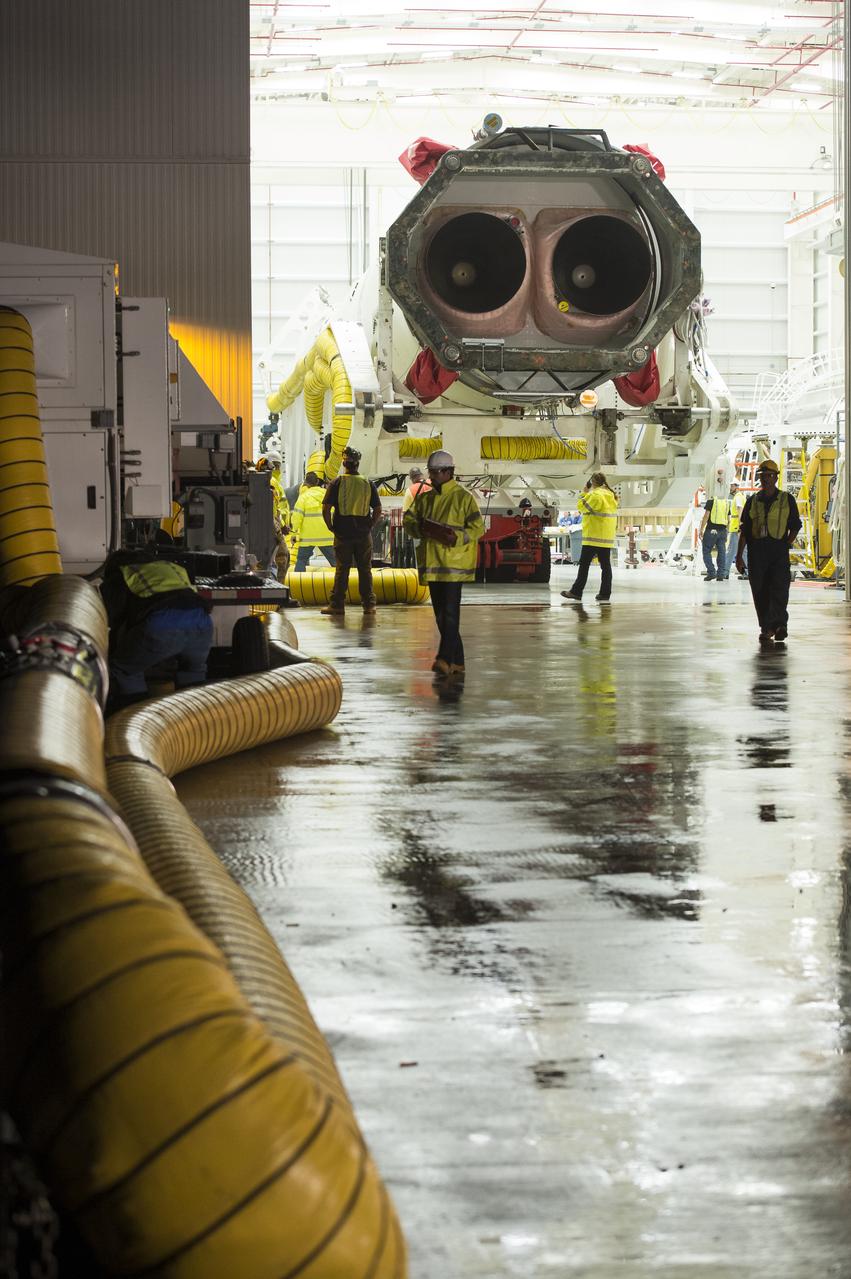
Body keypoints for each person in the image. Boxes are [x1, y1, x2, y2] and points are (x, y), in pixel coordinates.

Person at [403, 448, 484, 679]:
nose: (432, 476)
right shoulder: (424, 498)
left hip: (454, 566)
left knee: (449, 614)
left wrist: (455, 538)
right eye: (431, 472)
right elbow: (409, 520)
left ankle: (444, 658)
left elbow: (478, 528)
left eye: (436, 472)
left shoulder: (463, 498)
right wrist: (421, 528)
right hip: (433, 565)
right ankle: (458, 662)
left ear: (449, 472)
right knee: (441, 616)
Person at [101, 546, 213, 709]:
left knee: (125, 670)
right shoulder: (172, 568)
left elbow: (113, 619)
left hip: (161, 624)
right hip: (202, 622)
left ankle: (136, 721)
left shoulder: (122, 573)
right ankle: (196, 725)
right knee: (192, 672)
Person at [736, 458, 802, 645]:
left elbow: (795, 525)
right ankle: (767, 627)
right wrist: (739, 556)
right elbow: (745, 531)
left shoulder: (786, 499)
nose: (765, 479)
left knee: (779, 588)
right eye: (763, 476)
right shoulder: (752, 501)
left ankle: (780, 625)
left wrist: (786, 544)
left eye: (769, 476)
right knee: (760, 589)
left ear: (775, 478)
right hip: (757, 551)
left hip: (777, 549)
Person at [321, 446, 382, 615]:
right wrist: (370, 524)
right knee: (365, 569)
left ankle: (337, 605)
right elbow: (377, 509)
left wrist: (330, 527)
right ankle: (369, 605)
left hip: (343, 534)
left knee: (342, 569)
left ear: (344, 462)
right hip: (363, 535)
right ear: (358, 463)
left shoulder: (337, 482)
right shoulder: (367, 483)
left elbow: (326, 508)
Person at [561, 473, 618, 603]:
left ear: (592, 482)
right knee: (606, 566)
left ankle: (576, 591)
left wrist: (584, 493)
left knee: (584, 565)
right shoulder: (611, 495)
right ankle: (604, 594)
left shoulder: (595, 495)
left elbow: (581, 506)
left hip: (593, 536)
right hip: (606, 537)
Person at [291, 472, 336, 572]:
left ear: (305, 483)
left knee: (301, 560)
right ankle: (344, 584)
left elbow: (297, 517)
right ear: (317, 482)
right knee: (337, 562)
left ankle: (298, 585)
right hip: (326, 536)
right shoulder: (326, 494)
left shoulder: (303, 497)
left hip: (308, 538)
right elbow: (335, 513)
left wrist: (294, 532)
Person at [699, 489, 732, 580]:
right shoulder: (726, 502)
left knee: (706, 551)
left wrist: (701, 529)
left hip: (711, 530)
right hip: (723, 531)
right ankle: (721, 574)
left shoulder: (711, 500)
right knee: (722, 552)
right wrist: (727, 531)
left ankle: (711, 572)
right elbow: (729, 519)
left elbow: (706, 515)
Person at [726, 481, 747, 579]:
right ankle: (747, 572)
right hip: (739, 527)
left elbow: (740, 509)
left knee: (731, 550)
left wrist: (739, 525)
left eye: (731, 486)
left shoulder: (738, 497)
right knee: (743, 551)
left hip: (736, 527)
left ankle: (724, 571)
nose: (730, 488)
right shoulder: (741, 496)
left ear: (736, 486)